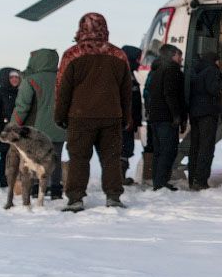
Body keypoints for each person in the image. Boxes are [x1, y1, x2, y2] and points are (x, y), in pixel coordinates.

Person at [54, 12, 132, 212]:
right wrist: (126, 116)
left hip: (80, 117)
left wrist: (60, 115)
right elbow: (126, 91)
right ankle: (113, 196)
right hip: (111, 116)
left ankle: (75, 199)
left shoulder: (72, 55)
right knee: (111, 158)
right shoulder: (119, 55)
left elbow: (62, 89)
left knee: (79, 159)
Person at [11, 49, 66, 199]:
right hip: (60, 127)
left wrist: (12, 126)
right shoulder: (63, 78)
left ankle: (36, 189)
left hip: (38, 130)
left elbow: (22, 107)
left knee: (35, 159)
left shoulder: (31, 80)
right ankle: (56, 189)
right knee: (55, 158)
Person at [147, 44, 186, 191]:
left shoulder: (156, 71)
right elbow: (171, 94)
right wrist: (176, 116)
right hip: (166, 117)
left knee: (158, 151)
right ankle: (161, 182)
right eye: (178, 55)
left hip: (155, 117)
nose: (181, 58)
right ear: (172, 56)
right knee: (168, 150)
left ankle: (158, 181)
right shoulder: (172, 71)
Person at [187, 51, 222, 190]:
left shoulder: (194, 70)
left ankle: (192, 179)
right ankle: (201, 181)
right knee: (206, 147)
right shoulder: (212, 70)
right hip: (208, 113)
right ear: (215, 60)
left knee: (195, 147)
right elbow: (213, 89)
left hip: (194, 113)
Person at [120, 45, 144, 185]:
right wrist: (128, 118)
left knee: (126, 148)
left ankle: (121, 175)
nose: (139, 62)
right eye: (136, 59)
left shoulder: (129, 74)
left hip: (129, 120)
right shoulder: (124, 75)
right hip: (125, 120)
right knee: (123, 148)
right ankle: (119, 176)